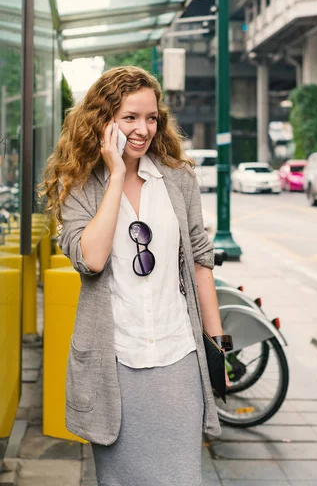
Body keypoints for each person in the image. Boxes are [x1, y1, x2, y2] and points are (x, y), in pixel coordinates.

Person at [40, 66, 229, 486]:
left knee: (180, 478)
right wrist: (117, 177)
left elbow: (201, 262)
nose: (143, 129)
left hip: (177, 356)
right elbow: (91, 258)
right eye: (130, 118)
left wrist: (218, 348)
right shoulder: (80, 186)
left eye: (151, 118)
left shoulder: (177, 179)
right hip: (115, 363)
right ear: (103, 120)